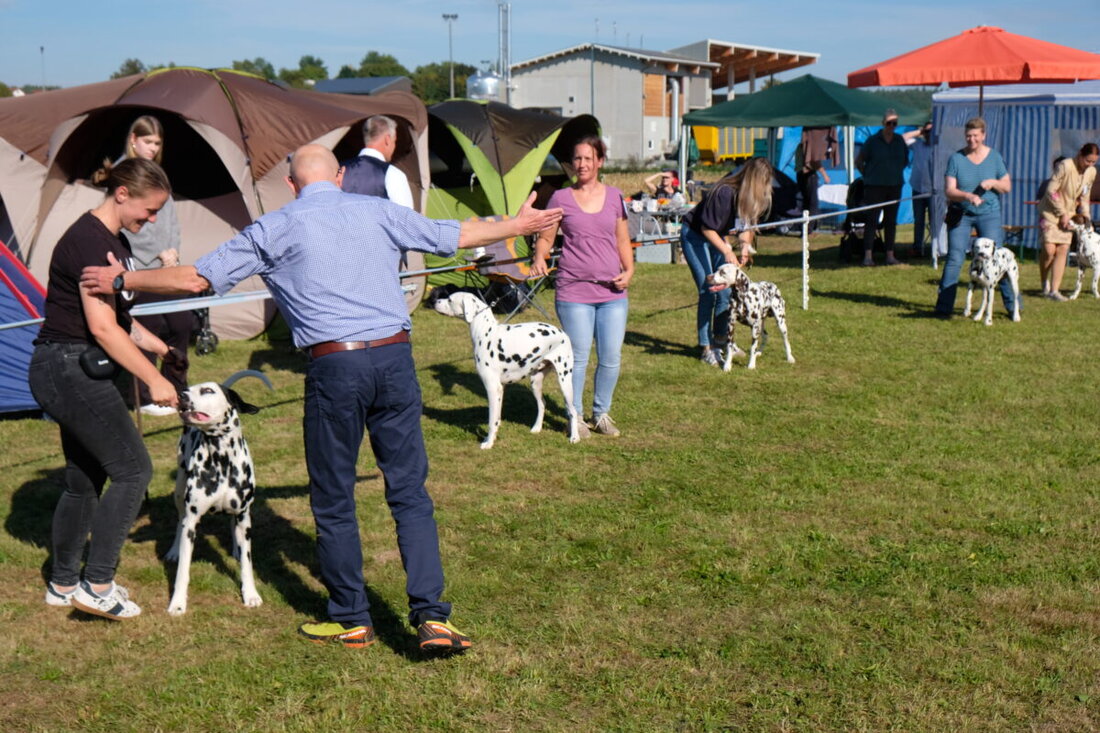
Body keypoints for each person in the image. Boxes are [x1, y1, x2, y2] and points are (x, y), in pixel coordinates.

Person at [81, 144, 562, 651]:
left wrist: (122, 278)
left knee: (334, 498)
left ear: (291, 186)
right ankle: (432, 617)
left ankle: (352, 618)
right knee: (409, 492)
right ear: (339, 177)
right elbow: (457, 235)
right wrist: (517, 224)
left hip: (335, 367)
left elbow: (195, 277)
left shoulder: (275, 226)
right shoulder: (377, 209)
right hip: (395, 360)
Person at [30, 157, 180, 621]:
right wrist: (154, 380)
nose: (151, 220)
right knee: (134, 470)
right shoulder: (90, 241)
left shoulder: (111, 238)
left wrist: (159, 348)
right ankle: (97, 584)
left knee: (84, 479)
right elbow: (102, 329)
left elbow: (118, 318)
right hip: (68, 367)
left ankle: (63, 582)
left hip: (69, 365)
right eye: (149, 210)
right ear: (122, 194)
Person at [531, 136, 633, 438]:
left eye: (588, 158)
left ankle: (601, 414)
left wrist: (629, 270)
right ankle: (574, 416)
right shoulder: (561, 198)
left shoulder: (615, 197)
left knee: (611, 357)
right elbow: (547, 238)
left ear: (600, 161)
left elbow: (622, 239)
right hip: (574, 291)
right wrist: (539, 257)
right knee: (577, 357)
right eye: (577, 159)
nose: (582, 164)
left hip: (613, 293)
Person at [110, 116, 191, 416]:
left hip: (167, 264)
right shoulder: (123, 174)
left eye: (157, 143)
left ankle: (176, 387)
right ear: (133, 139)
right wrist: (158, 253)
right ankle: (145, 395)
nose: (153, 148)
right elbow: (129, 224)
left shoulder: (158, 173)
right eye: (148, 141)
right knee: (149, 327)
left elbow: (171, 220)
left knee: (182, 323)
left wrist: (173, 251)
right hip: (140, 267)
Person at [676, 157, 773, 367]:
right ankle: (706, 348)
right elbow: (706, 229)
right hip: (695, 236)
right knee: (708, 289)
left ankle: (721, 341)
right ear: (753, 180)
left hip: (717, 239)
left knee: (726, 292)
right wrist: (727, 251)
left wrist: (745, 246)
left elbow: (745, 225)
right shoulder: (724, 192)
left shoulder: (746, 198)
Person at [934, 117, 1015, 318]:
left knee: (998, 258)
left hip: (989, 214)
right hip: (962, 215)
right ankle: (944, 308)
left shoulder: (995, 157)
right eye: (968, 136)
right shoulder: (956, 159)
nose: (971, 140)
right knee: (954, 258)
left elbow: (1007, 186)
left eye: (976, 136)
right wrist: (967, 196)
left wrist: (992, 182)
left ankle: (1013, 307)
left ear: (983, 135)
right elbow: (949, 190)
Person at [1038, 143, 1098, 300]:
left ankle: (1054, 291)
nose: (1089, 165)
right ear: (1080, 154)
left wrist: (1087, 220)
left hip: (1069, 216)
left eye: (1093, 162)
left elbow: (1085, 197)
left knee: (1063, 249)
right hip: (1050, 212)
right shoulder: (1065, 165)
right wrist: (1062, 212)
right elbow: (1050, 190)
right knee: (1050, 250)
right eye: (1087, 161)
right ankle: (1044, 282)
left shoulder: (1091, 172)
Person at [855, 109, 908, 266]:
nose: (892, 126)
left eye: (895, 123)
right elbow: (859, 161)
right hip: (874, 187)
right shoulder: (872, 141)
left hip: (895, 185)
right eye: (889, 123)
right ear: (883, 123)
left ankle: (890, 255)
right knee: (872, 220)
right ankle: (868, 256)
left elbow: (904, 161)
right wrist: (868, 176)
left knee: (891, 221)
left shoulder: (899, 141)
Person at [339, 114, 414, 209]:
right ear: (387, 139)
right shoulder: (393, 174)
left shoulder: (338, 170)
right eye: (394, 141)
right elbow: (406, 219)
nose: (394, 146)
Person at [794, 126, 837, 233]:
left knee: (805, 203)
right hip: (809, 176)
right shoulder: (810, 147)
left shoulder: (799, 146)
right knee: (813, 204)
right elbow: (814, 162)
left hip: (800, 175)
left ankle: (804, 227)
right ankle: (809, 229)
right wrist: (825, 175)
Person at [907, 121, 934, 257]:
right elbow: (901, 139)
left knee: (935, 220)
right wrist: (919, 132)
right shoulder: (917, 144)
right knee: (918, 220)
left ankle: (936, 249)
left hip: (933, 190)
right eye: (927, 132)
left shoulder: (939, 147)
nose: (929, 135)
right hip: (918, 188)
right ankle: (918, 248)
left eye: (932, 131)